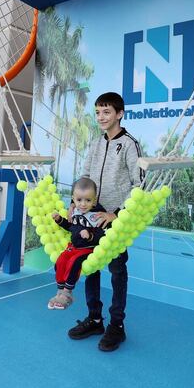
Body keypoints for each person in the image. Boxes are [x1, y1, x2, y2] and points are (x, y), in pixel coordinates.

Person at [67, 92, 143, 352]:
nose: (101, 117)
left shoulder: (130, 144)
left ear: (119, 114)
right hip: (90, 217)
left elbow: (138, 184)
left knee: (117, 271)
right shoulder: (96, 143)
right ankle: (95, 319)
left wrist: (116, 214)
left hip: (114, 220)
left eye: (106, 112)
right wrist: (73, 203)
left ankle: (117, 326)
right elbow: (85, 176)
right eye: (98, 112)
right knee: (91, 267)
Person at [48, 178, 106, 310]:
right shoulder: (75, 212)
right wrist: (59, 220)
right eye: (79, 200)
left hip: (87, 249)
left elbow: (101, 235)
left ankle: (68, 293)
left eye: (88, 200)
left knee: (74, 262)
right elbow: (70, 227)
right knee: (60, 261)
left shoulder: (97, 215)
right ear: (73, 199)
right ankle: (60, 291)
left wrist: (90, 235)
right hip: (73, 247)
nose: (83, 204)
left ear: (94, 200)